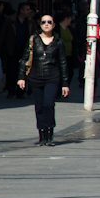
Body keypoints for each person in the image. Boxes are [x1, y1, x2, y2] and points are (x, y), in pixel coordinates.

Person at [18, 13, 70, 146]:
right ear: (40, 25)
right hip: (36, 77)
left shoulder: (58, 42)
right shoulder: (33, 40)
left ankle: (49, 132)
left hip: (52, 77)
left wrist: (65, 84)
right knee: (39, 106)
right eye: (43, 22)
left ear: (53, 25)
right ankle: (42, 135)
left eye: (49, 22)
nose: (46, 24)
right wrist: (21, 77)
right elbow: (25, 59)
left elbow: (63, 63)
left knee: (49, 104)